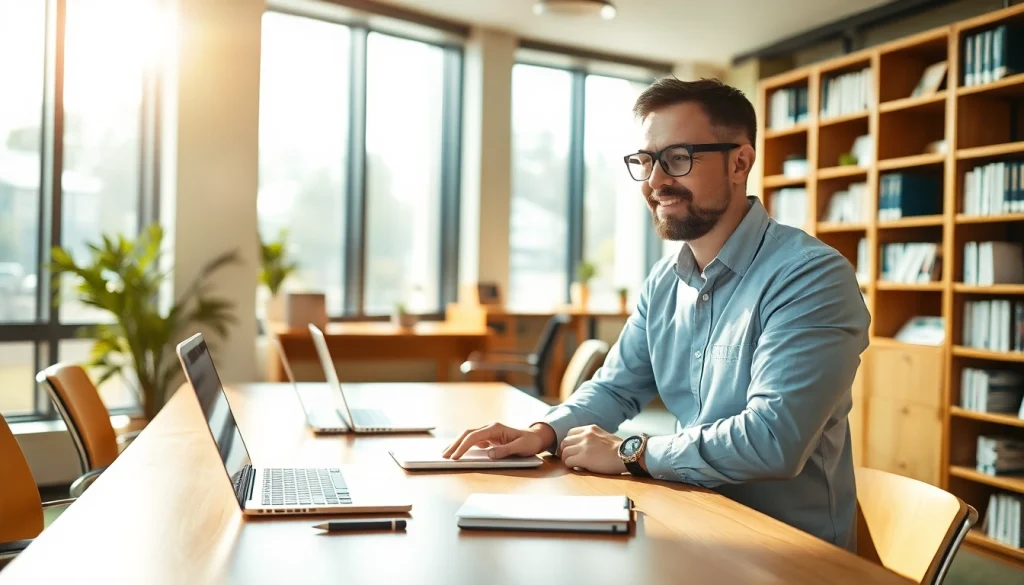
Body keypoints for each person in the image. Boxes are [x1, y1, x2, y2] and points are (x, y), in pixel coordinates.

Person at [442, 77, 870, 551]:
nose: (655, 181)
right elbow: (615, 388)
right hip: (692, 524)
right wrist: (541, 432)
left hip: (790, 555)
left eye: (678, 158)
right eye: (646, 161)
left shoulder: (811, 278)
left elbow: (773, 438)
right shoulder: (664, 281)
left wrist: (633, 451)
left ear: (740, 162)